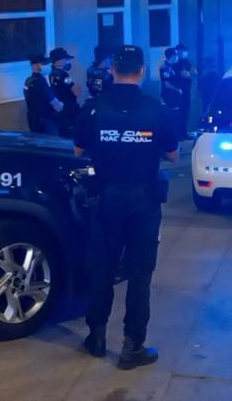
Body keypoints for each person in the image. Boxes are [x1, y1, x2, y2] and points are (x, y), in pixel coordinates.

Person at [74, 45, 179, 370]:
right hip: (144, 200)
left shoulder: (93, 108)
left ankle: (97, 337)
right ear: (143, 71)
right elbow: (174, 155)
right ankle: (132, 346)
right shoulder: (157, 110)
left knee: (102, 267)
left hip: (106, 198)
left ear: (112, 70)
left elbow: (78, 151)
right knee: (140, 274)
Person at [23, 54, 62, 135]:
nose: (48, 66)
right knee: (54, 144)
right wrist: (60, 105)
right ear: (36, 65)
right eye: (44, 63)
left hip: (34, 120)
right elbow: (54, 103)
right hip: (46, 121)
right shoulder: (40, 81)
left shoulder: (28, 80)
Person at [48, 47, 80, 137]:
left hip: (60, 110)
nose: (67, 62)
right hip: (69, 110)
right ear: (59, 61)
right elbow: (76, 91)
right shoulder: (63, 74)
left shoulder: (52, 73)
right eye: (66, 59)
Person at [159, 48, 183, 137]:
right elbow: (166, 84)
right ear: (172, 56)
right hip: (169, 95)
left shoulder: (173, 67)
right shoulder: (165, 67)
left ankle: (176, 135)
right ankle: (171, 136)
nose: (177, 57)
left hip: (174, 95)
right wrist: (178, 90)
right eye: (176, 55)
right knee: (172, 116)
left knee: (176, 116)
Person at [173, 43, 195, 138]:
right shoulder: (177, 63)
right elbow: (184, 74)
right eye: (184, 51)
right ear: (179, 51)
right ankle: (178, 134)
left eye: (186, 51)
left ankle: (183, 132)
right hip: (179, 92)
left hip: (187, 91)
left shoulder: (187, 62)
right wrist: (189, 73)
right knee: (180, 113)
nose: (185, 53)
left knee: (186, 112)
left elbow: (194, 72)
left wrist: (188, 73)